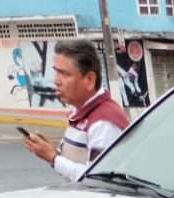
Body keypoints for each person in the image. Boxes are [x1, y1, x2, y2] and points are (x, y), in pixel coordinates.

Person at [22, 40, 129, 182]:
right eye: (56, 72)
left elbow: (97, 179)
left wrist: (53, 158)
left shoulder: (103, 122)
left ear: (90, 79)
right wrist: (51, 151)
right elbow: (75, 164)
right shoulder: (80, 112)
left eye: (64, 74)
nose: (56, 81)